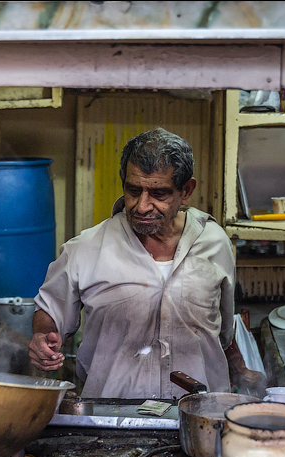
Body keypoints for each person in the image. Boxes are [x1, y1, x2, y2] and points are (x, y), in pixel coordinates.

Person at [29, 128, 264, 399]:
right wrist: (43, 336)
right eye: (133, 190)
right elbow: (50, 309)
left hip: (200, 415)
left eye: (159, 193)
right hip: (112, 416)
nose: (142, 206)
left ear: (186, 191)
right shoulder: (86, 248)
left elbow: (221, 328)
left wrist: (240, 369)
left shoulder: (214, 243)